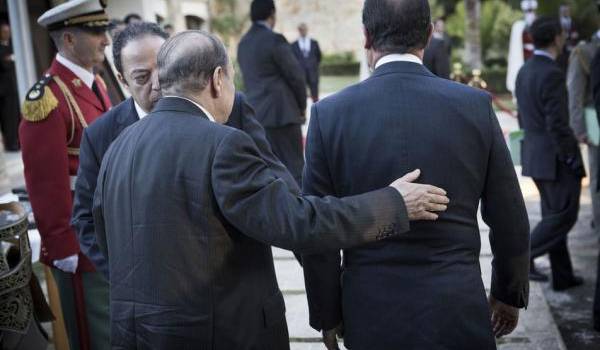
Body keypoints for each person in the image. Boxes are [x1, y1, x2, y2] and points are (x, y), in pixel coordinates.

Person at [92, 30, 450, 349]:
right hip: (219, 334)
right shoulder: (222, 145)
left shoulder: (118, 148)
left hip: (134, 335)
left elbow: (106, 242)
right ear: (218, 79)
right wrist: (392, 204)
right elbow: (296, 222)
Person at [301, 0, 530, 349]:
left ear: (366, 36)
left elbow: (318, 232)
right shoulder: (474, 106)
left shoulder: (329, 115)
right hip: (456, 304)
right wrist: (508, 292)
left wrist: (327, 314)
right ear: (428, 34)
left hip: (370, 310)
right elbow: (510, 216)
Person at [72, 22, 299, 278]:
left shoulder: (229, 107)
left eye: (163, 68)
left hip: (236, 280)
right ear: (123, 80)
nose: (158, 83)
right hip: (153, 293)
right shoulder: (102, 136)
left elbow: (280, 186)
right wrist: (128, 277)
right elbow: (86, 220)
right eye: (142, 77)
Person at [18, 0, 113, 348]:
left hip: (105, 226)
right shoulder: (47, 97)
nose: (106, 39)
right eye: (97, 32)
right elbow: (45, 182)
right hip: (80, 237)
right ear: (70, 39)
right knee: (94, 333)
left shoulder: (97, 84)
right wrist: (62, 244)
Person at [516, 17, 585, 290]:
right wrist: (571, 157)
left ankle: (563, 276)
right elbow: (557, 124)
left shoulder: (525, 70)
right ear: (557, 37)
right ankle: (520, 257)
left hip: (535, 156)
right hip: (555, 159)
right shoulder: (552, 72)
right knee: (563, 217)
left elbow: (525, 116)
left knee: (553, 216)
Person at [238, 0, 306, 185]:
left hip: (256, 116)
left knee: (269, 172)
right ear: (272, 14)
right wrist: (301, 107)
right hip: (282, 113)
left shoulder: (243, 44)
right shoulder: (274, 39)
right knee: (295, 168)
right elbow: (296, 76)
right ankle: (303, 210)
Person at [567, 20, 600, 238]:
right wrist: (580, 128)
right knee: (598, 178)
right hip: (596, 127)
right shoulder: (585, 51)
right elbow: (575, 93)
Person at [507, 0, 538, 95]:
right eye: (528, 11)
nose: (530, 13)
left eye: (531, 10)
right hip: (523, 57)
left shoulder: (537, 24)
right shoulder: (518, 25)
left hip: (535, 56)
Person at [0, 22, 20, 151]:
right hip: (4, 91)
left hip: (15, 89)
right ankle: (10, 144)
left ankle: (17, 142)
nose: (7, 34)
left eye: (8, 32)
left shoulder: (14, 46)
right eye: (4, 32)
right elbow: (5, 65)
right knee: (7, 119)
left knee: (16, 116)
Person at [291, 23, 322, 102]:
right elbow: (292, 60)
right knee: (301, 96)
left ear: (307, 30)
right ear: (299, 31)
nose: (303, 31)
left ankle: (316, 111)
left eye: (304, 29)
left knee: (315, 96)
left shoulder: (314, 43)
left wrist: (314, 66)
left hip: (313, 74)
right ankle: (302, 112)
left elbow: (319, 57)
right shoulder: (293, 45)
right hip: (300, 75)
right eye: (301, 30)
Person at [557, 4, 579, 71]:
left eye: (566, 10)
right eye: (563, 10)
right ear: (560, 12)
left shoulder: (574, 21)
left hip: (573, 47)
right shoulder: (557, 23)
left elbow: (577, 34)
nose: (565, 12)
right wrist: (570, 35)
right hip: (562, 50)